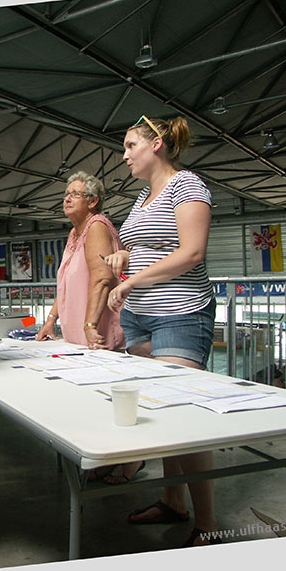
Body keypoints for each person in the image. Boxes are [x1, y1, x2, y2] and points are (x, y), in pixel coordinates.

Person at [105, 114, 218, 547]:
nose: (125, 154)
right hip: (140, 316)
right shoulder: (141, 199)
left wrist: (131, 279)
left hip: (180, 313)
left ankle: (209, 526)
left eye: (131, 145)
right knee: (161, 413)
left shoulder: (187, 186)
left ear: (156, 146)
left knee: (183, 415)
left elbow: (191, 252)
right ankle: (174, 502)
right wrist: (123, 260)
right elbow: (143, 248)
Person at [35, 172, 138, 484]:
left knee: (106, 398)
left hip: (96, 329)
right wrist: (51, 319)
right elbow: (65, 283)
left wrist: (91, 324)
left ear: (93, 201)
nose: (67, 198)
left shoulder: (96, 226)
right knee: (89, 399)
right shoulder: (73, 232)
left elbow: (102, 276)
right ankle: (100, 460)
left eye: (76, 194)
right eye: (66, 193)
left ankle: (127, 462)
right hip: (77, 332)